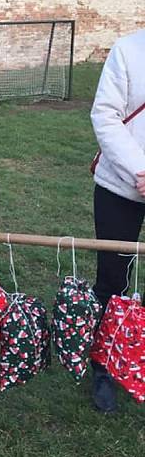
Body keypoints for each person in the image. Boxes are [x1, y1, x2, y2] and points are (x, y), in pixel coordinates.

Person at [90, 28, 145, 412]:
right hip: (120, 185)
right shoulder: (127, 49)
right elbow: (106, 115)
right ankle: (104, 364)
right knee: (113, 277)